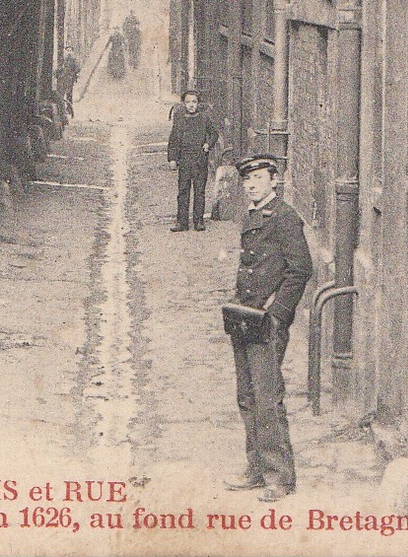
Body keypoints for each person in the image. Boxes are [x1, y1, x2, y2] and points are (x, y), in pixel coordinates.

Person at [223, 153, 313, 503]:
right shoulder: (252, 215)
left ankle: (279, 477)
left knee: (267, 398)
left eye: (258, 178)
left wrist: (278, 312)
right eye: (247, 179)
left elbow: (299, 270)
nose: (251, 184)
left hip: (266, 321)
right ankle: (256, 468)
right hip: (244, 317)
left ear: (274, 180)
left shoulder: (286, 218)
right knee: (247, 397)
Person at [166, 86, 218, 232]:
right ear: (183, 103)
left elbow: (214, 133)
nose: (191, 105)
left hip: (200, 159)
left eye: (194, 102)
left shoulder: (204, 118)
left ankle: (199, 221)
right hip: (184, 159)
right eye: (188, 102)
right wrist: (172, 159)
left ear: (198, 104)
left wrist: (209, 144)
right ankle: (182, 222)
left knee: (199, 191)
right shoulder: (179, 118)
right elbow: (174, 140)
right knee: (183, 190)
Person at [57, 47, 79, 116]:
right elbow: (59, 68)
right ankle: (62, 109)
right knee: (62, 93)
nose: (69, 52)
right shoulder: (63, 60)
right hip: (63, 78)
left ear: (72, 52)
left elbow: (77, 68)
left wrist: (72, 75)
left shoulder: (73, 60)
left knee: (69, 93)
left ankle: (69, 109)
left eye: (70, 51)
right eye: (67, 50)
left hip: (70, 79)